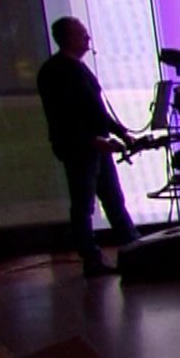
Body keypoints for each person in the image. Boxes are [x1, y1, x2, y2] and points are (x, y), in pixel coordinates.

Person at [36, 17, 139, 276]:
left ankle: (134, 246)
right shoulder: (56, 72)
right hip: (80, 148)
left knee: (113, 199)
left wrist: (122, 132)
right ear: (68, 38)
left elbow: (96, 111)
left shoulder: (76, 69)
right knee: (84, 205)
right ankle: (92, 258)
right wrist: (94, 139)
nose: (87, 38)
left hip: (96, 146)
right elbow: (64, 117)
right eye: (82, 34)